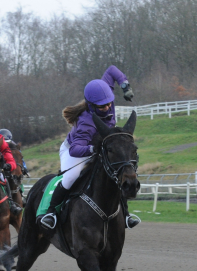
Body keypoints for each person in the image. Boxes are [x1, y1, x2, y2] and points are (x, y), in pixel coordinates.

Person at [37, 65, 138, 231]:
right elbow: (75, 150)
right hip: (76, 150)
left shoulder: (102, 92)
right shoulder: (86, 123)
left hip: (99, 147)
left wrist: (125, 85)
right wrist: (92, 150)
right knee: (71, 177)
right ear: (91, 105)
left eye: (108, 104)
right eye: (101, 107)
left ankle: (125, 214)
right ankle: (51, 213)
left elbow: (111, 70)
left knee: (116, 172)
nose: (106, 108)